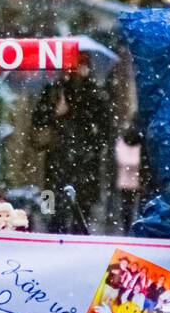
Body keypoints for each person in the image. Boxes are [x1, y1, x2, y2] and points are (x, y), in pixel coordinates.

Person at [30, 52, 114, 232]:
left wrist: (92, 148)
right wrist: (55, 114)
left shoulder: (95, 94)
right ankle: (49, 241)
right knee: (52, 208)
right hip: (56, 159)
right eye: (74, 64)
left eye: (82, 63)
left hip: (85, 163)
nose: (77, 69)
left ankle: (76, 248)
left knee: (81, 213)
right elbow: (37, 122)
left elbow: (105, 129)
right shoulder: (54, 90)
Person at [114, 118, 142, 233]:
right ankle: (128, 229)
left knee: (131, 208)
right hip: (126, 181)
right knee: (127, 209)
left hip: (135, 181)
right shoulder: (123, 142)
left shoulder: (123, 142)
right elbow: (125, 160)